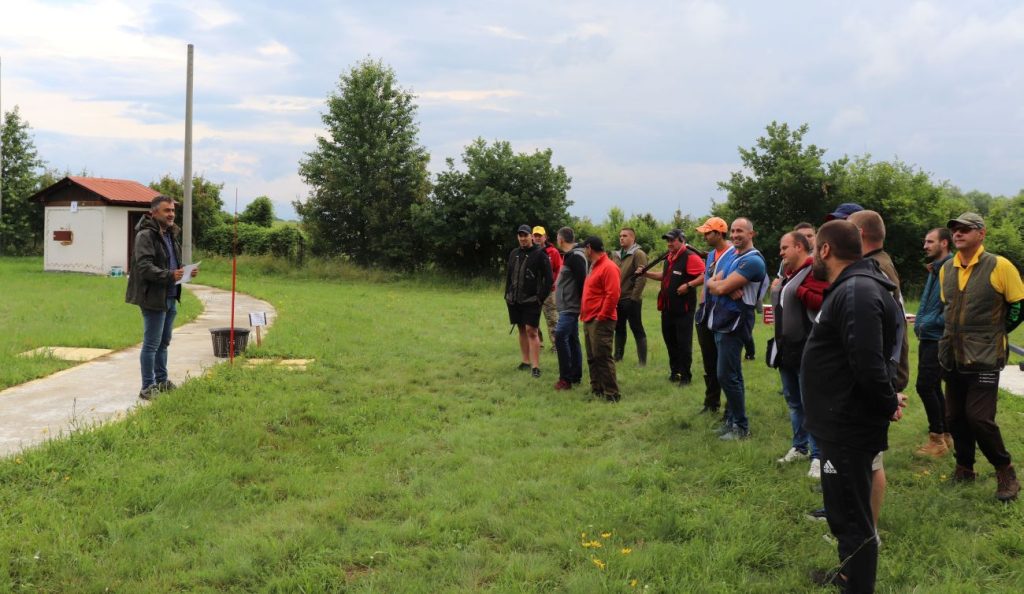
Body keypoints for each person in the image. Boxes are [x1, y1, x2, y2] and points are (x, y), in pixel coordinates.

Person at [802, 220, 907, 593]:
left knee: (851, 517)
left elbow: (868, 362)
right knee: (844, 510)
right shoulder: (856, 286)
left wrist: (886, 402)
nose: (813, 254)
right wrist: (887, 399)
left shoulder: (859, 290)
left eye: (815, 248)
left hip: (848, 424)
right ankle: (849, 574)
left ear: (826, 250)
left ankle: (857, 585)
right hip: (841, 421)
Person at [940, 212, 1024, 501]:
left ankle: (1005, 470)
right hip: (952, 353)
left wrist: (995, 333)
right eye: (955, 229)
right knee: (954, 416)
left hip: (986, 355)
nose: (958, 233)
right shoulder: (946, 269)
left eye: (965, 229)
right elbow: (947, 307)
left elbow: (1018, 305)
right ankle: (965, 468)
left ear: (981, 234)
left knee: (979, 417)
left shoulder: (999, 265)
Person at [846, 209, 909, 530]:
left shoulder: (878, 269)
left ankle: (866, 531)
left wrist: (891, 384)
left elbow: (895, 331)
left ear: (860, 235)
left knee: (871, 459)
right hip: (879, 376)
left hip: (881, 377)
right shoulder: (872, 266)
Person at [125, 195, 198, 399]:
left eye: (173, 211)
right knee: (151, 344)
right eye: (167, 210)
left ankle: (162, 381)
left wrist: (183, 271)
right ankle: (147, 387)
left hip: (170, 295)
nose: (171, 214)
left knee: (164, 342)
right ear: (154, 212)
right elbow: (144, 267)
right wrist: (169, 275)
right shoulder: (146, 235)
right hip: (153, 297)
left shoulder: (168, 234)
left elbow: (169, 264)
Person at [770, 231, 828, 477]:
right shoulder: (788, 274)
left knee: (811, 402)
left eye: (785, 248)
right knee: (794, 401)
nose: (781, 253)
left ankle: (818, 455)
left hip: (807, 347)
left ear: (799, 247)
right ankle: (799, 447)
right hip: (786, 347)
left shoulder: (814, 271)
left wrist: (800, 291)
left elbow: (824, 301)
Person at [705, 218, 768, 440]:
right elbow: (714, 281)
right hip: (724, 319)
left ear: (752, 234)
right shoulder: (734, 255)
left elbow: (718, 284)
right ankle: (732, 422)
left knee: (726, 375)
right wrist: (721, 287)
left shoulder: (752, 261)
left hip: (736, 322)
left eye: (740, 231)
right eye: (732, 231)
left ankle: (741, 427)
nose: (734, 235)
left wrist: (721, 287)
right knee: (733, 374)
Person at [643, 229, 705, 385]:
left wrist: (688, 285)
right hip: (667, 308)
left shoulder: (691, 257)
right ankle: (675, 372)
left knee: (684, 343)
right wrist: (646, 273)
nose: (669, 243)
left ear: (682, 240)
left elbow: (704, 275)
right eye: (668, 240)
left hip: (683, 309)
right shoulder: (669, 258)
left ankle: (685, 376)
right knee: (670, 341)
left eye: (672, 240)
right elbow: (664, 276)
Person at [913, 227, 954, 457]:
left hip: (938, 336)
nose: (925, 246)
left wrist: (928, 323)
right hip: (928, 335)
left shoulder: (949, 269)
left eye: (930, 242)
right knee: (934, 386)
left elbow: (952, 306)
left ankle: (937, 439)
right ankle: (946, 436)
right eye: (925, 241)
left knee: (924, 386)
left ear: (945, 243)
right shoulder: (936, 268)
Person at [694, 217, 733, 414]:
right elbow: (707, 282)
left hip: (723, 315)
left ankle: (731, 408)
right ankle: (711, 403)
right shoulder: (710, 255)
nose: (704, 236)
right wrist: (701, 308)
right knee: (709, 362)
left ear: (719, 233)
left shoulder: (733, 254)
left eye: (707, 233)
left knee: (725, 365)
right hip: (705, 313)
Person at [505, 224, 553, 378]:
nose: (522, 238)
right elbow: (509, 275)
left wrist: (540, 298)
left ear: (531, 237)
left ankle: (535, 366)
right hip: (514, 300)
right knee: (521, 329)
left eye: (525, 235)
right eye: (520, 235)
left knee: (531, 331)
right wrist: (507, 294)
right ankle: (525, 361)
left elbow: (549, 279)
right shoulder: (514, 253)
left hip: (532, 300)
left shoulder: (540, 254)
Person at [580, 236, 622, 402]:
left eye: (585, 248)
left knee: (603, 357)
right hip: (589, 318)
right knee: (592, 357)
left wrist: (602, 316)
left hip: (601, 320)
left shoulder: (609, 267)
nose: (584, 251)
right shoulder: (594, 266)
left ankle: (612, 393)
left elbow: (613, 295)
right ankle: (596, 387)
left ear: (589, 248)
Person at [553, 227, 587, 390]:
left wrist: (583, 305)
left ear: (561, 240)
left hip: (570, 306)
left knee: (560, 336)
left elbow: (582, 282)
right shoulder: (572, 255)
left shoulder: (575, 257)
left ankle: (565, 379)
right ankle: (575, 375)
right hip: (568, 306)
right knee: (572, 340)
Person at [611, 228, 649, 366]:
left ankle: (642, 362)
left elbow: (642, 277)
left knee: (636, 328)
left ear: (633, 238)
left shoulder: (638, 254)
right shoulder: (615, 255)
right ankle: (617, 357)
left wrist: (634, 298)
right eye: (620, 236)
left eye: (625, 236)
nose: (621, 238)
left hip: (631, 299)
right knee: (619, 328)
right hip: (617, 298)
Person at [533, 226, 562, 351]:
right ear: (532, 237)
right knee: (533, 318)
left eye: (540, 235)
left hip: (549, 291)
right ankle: (537, 343)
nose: (538, 238)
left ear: (545, 237)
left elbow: (559, 269)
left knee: (552, 318)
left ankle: (556, 344)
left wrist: (551, 283)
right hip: (533, 290)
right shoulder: (530, 252)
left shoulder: (553, 252)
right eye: (535, 235)